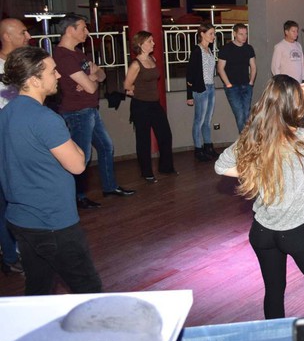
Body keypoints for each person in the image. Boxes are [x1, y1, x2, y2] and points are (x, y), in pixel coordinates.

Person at [215, 75, 304, 319]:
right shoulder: (302, 139)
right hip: (297, 232)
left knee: (274, 291)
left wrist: (257, 169)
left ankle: (274, 338)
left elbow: (221, 166)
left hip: (262, 232)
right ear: (295, 104)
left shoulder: (253, 138)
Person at [0, 46, 102, 295]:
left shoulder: (6, 113)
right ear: (34, 80)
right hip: (53, 222)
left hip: (21, 220)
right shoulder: (45, 119)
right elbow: (78, 164)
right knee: (88, 290)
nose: (58, 75)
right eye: (52, 71)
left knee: (39, 289)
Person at [54, 14, 134, 208]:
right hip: (77, 112)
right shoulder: (63, 56)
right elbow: (91, 87)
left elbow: (102, 74)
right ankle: (76, 196)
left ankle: (109, 187)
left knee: (106, 147)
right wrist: (91, 77)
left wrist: (91, 76)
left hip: (89, 110)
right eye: (83, 28)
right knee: (81, 156)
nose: (87, 32)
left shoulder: (77, 53)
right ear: (70, 30)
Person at [123, 31, 176, 183]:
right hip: (141, 106)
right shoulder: (136, 64)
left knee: (165, 135)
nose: (153, 43)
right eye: (149, 41)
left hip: (154, 104)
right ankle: (146, 172)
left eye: (152, 40)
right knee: (143, 140)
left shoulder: (152, 59)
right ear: (140, 44)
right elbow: (127, 85)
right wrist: (136, 92)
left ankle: (166, 167)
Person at [0, 18, 31, 275]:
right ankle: (10, 255)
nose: (28, 36)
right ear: (6, 36)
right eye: (23, 32)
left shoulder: (24, 66)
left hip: (22, 142)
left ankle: (22, 250)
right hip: (4, 144)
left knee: (22, 198)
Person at [186, 22, 218, 162]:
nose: (213, 36)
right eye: (211, 34)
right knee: (199, 120)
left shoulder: (209, 50)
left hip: (210, 87)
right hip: (201, 88)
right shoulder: (197, 51)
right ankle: (198, 149)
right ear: (202, 34)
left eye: (214, 34)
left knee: (208, 120)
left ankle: (208, 146)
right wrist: (189, 95)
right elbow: (190, 74)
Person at [217, 23, 256, 133]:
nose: (244, 37)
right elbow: (220, 68)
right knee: (239, 114)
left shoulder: (248, 48)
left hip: (246, 85)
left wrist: (251, 82)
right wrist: (228, 84)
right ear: (234, 34)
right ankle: (244, 139)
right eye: (241, 34)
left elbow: (253, 67)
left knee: (247, 114)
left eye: (246, 34)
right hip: (233, 87)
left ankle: (245, 139)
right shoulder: (226, 49)